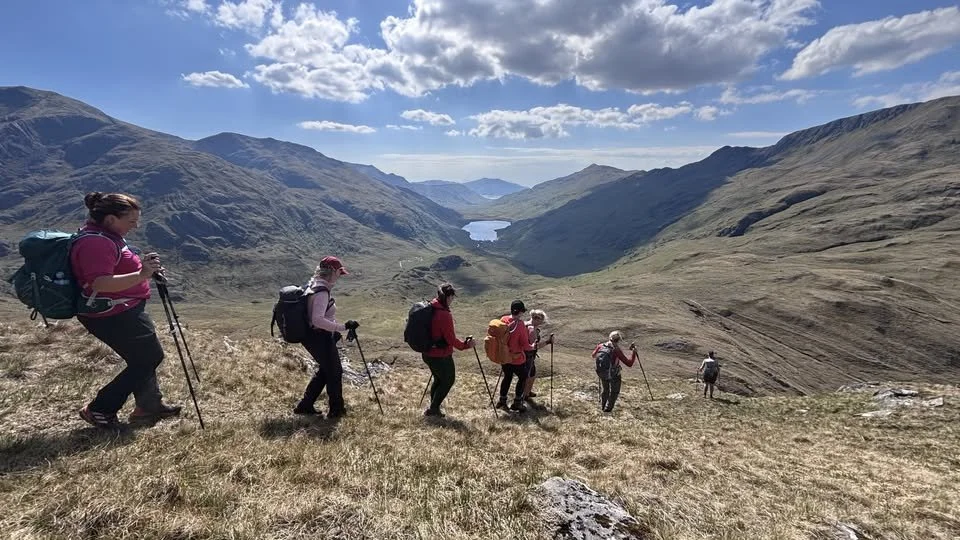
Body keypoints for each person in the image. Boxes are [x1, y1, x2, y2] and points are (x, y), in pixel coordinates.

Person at [70, 192, 182, 429]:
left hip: (124, 310)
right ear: (111, 219)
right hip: (112, 315)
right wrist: (142, 275)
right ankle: (100, 409)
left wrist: (145, 269)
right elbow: (100, 282)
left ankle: (148, 406)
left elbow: (116, 270)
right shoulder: (96, 242)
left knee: (142, 358)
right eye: (131, 221)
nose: (136, 225)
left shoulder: (108, 236)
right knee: (148, 359)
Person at [293, 256, 358, 418]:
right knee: (335, 372)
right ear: (333, 271)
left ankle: (305, 405)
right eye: (339, 272)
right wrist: (342, 327)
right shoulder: (321, 292)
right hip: (319, 337)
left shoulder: (313, 284)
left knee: (325, 370)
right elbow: (317, 320)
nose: (340, 276)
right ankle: (336, 411)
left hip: (312, 337)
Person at [421, 283, 475, 417]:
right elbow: (450, 339)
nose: (452, 300)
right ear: (449, 296)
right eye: (452, 297)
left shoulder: (430, 307)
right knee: (448, 380)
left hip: (427, 352)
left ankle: (433, 407)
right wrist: (466, 345)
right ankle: (433, 409)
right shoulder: (444, 314)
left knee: (438, 379)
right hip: (441, 355)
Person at [496, 300, 533, 413]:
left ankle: (502, 401)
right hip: (516, 359)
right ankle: (517, 402)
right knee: (523, 377)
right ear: (521, 311)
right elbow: (525, 345)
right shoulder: (520, 324)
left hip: (505, 357)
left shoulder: (503, 320)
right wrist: (533, 346)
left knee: (507, 377)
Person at [592, 331, 638, 413]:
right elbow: (629, 363)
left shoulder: (601, 346)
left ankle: (602, 407)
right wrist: (634, 353)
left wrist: (597, 347)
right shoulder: (616, 350)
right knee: (614, 391)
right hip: (614, 374)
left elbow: (593, 355)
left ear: (609, 338)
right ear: (618, 340)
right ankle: (608, 409)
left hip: (602, 372)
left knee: (605, 389)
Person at [522, 309, 553, 401]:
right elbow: (534, 346)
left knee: (531, 374)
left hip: (523, 354)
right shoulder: (531, 329)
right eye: (541, 320)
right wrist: (548, 342)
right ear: (537, 319)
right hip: (528, 355)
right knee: (529, 375)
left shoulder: (525, 324)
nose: (541, 323)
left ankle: (527, 392)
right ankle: (525, 394)